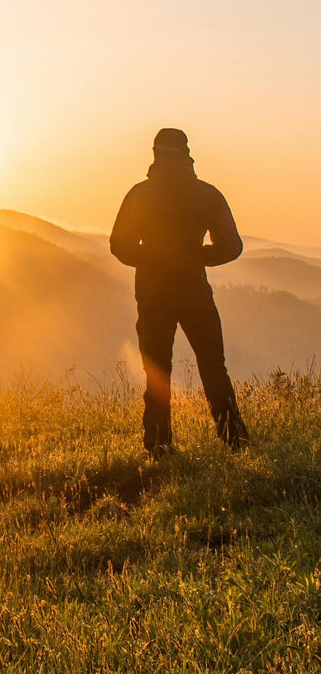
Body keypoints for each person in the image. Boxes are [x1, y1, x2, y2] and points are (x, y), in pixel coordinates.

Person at [109, 128, 249, 455]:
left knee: (157, 370)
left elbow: (119, 246)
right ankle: (236, 442)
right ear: (187, 152)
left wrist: (155, 257)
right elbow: (232, 247)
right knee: (214, 366)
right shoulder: (207, 194)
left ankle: (159, 446)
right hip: (195, 291)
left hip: (153, 293)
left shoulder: (140, 194)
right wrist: (195, 256)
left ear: (155, 153)